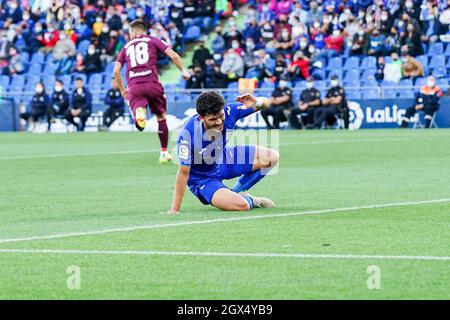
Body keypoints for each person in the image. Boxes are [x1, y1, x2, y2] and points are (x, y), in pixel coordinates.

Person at [168, 92, 278, 214]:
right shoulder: (187, 135)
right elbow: (183, 173)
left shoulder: (230, 110)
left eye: (221, 116)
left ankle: (236, 192)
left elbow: (267, 103)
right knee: (243, 206)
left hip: (224, 159)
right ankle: (249, 200)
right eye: (213, 119)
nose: (219, 122)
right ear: (201, 118)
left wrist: (257, 102)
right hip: (203, 180)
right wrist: (174, 210)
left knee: (272, 157)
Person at [114, 19, 190, 164]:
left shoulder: (126, 47)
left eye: (130, 33)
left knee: (137, 109)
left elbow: (116, 71)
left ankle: (139, 113)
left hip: (134, 86)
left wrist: (123, 90)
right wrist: (183, 71)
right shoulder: (153, 40)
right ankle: (163, 152)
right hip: (153, 83)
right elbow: (173, 55)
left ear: (135, 31)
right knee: (161, 117)